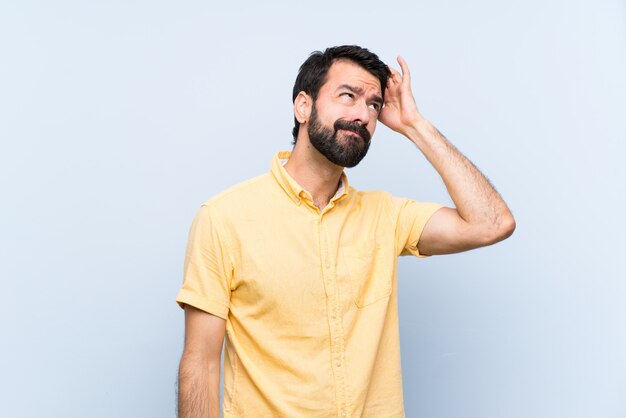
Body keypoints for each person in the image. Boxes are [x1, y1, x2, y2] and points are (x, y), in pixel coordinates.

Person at [176, 45, 515, 418]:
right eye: (348, 96)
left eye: (373, 105)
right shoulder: (225, 218)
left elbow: (492, 224)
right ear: (303, 107)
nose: (362, 115)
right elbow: (200, 364)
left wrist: (415, 125)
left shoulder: (386, 216)